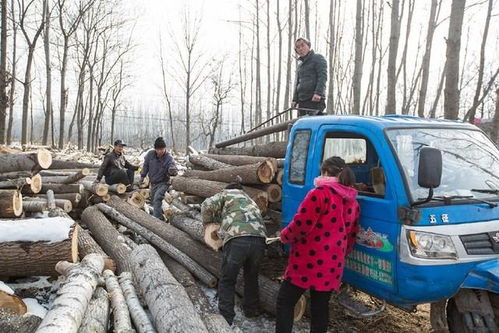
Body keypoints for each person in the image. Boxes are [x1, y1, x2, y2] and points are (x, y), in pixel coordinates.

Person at [275, 156, 360, 333]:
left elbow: (301, 224)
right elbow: (352, 235)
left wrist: (284, 236)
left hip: (307, 261)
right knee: (320, 308)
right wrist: (339, 255)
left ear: (325, 172)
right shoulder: (353, 201)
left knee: (285, 301)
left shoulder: (319, 194)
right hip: (332, 263)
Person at [201, 182, 268, 326]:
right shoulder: (250, 200)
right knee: (251, 277)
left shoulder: (226, 194)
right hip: (259, 240)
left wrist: (207, 223)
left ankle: (226, 318)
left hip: (237, 240)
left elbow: (206, 205)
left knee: (227, 279)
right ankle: (251, 311)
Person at [140, 137, 178, 219]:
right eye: (158, 149)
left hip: (164, 182)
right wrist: (142, 176)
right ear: (155, 149)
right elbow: (146, 165)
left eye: (162, 149)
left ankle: (157, 220)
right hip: (153, 183)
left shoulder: (168, 157)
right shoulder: (150, 155)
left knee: (157, 198)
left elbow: (174, 168)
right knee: (154, 201)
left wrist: (172, 170)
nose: (160, 151)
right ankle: (160, 217)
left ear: (165, 148)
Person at [291, 37, 327, 117]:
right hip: (302, 101)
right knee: (302, 126)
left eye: (302, 45)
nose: (300, 49)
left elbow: (322, 76)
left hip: (314, 100)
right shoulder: (300, 66)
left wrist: (318, 93)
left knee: (313, 123)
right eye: (298, 47)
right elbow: (297, 83)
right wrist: (295, 99)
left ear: (308, 46)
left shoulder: (318, 58)